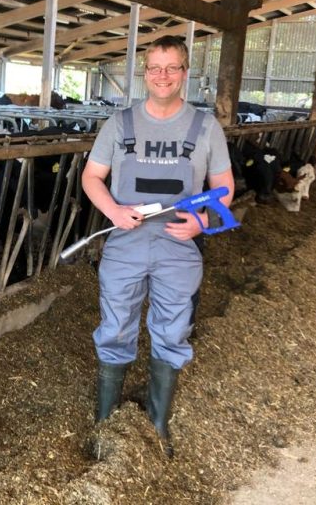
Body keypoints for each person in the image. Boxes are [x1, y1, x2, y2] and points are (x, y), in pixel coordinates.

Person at [81, 35, 234, 457]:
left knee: (173, 331)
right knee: (115, 326)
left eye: (171, 67)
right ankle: (105, 423)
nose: (162, 76)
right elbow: (91, 177)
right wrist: (112, 210)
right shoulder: (120, 124)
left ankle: (158, 424)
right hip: (125, 242)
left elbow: (224, 187)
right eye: (154, 68)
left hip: (178, 246)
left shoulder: (205, 127)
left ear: (185, 72)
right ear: (145, 73)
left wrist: (203, 221)